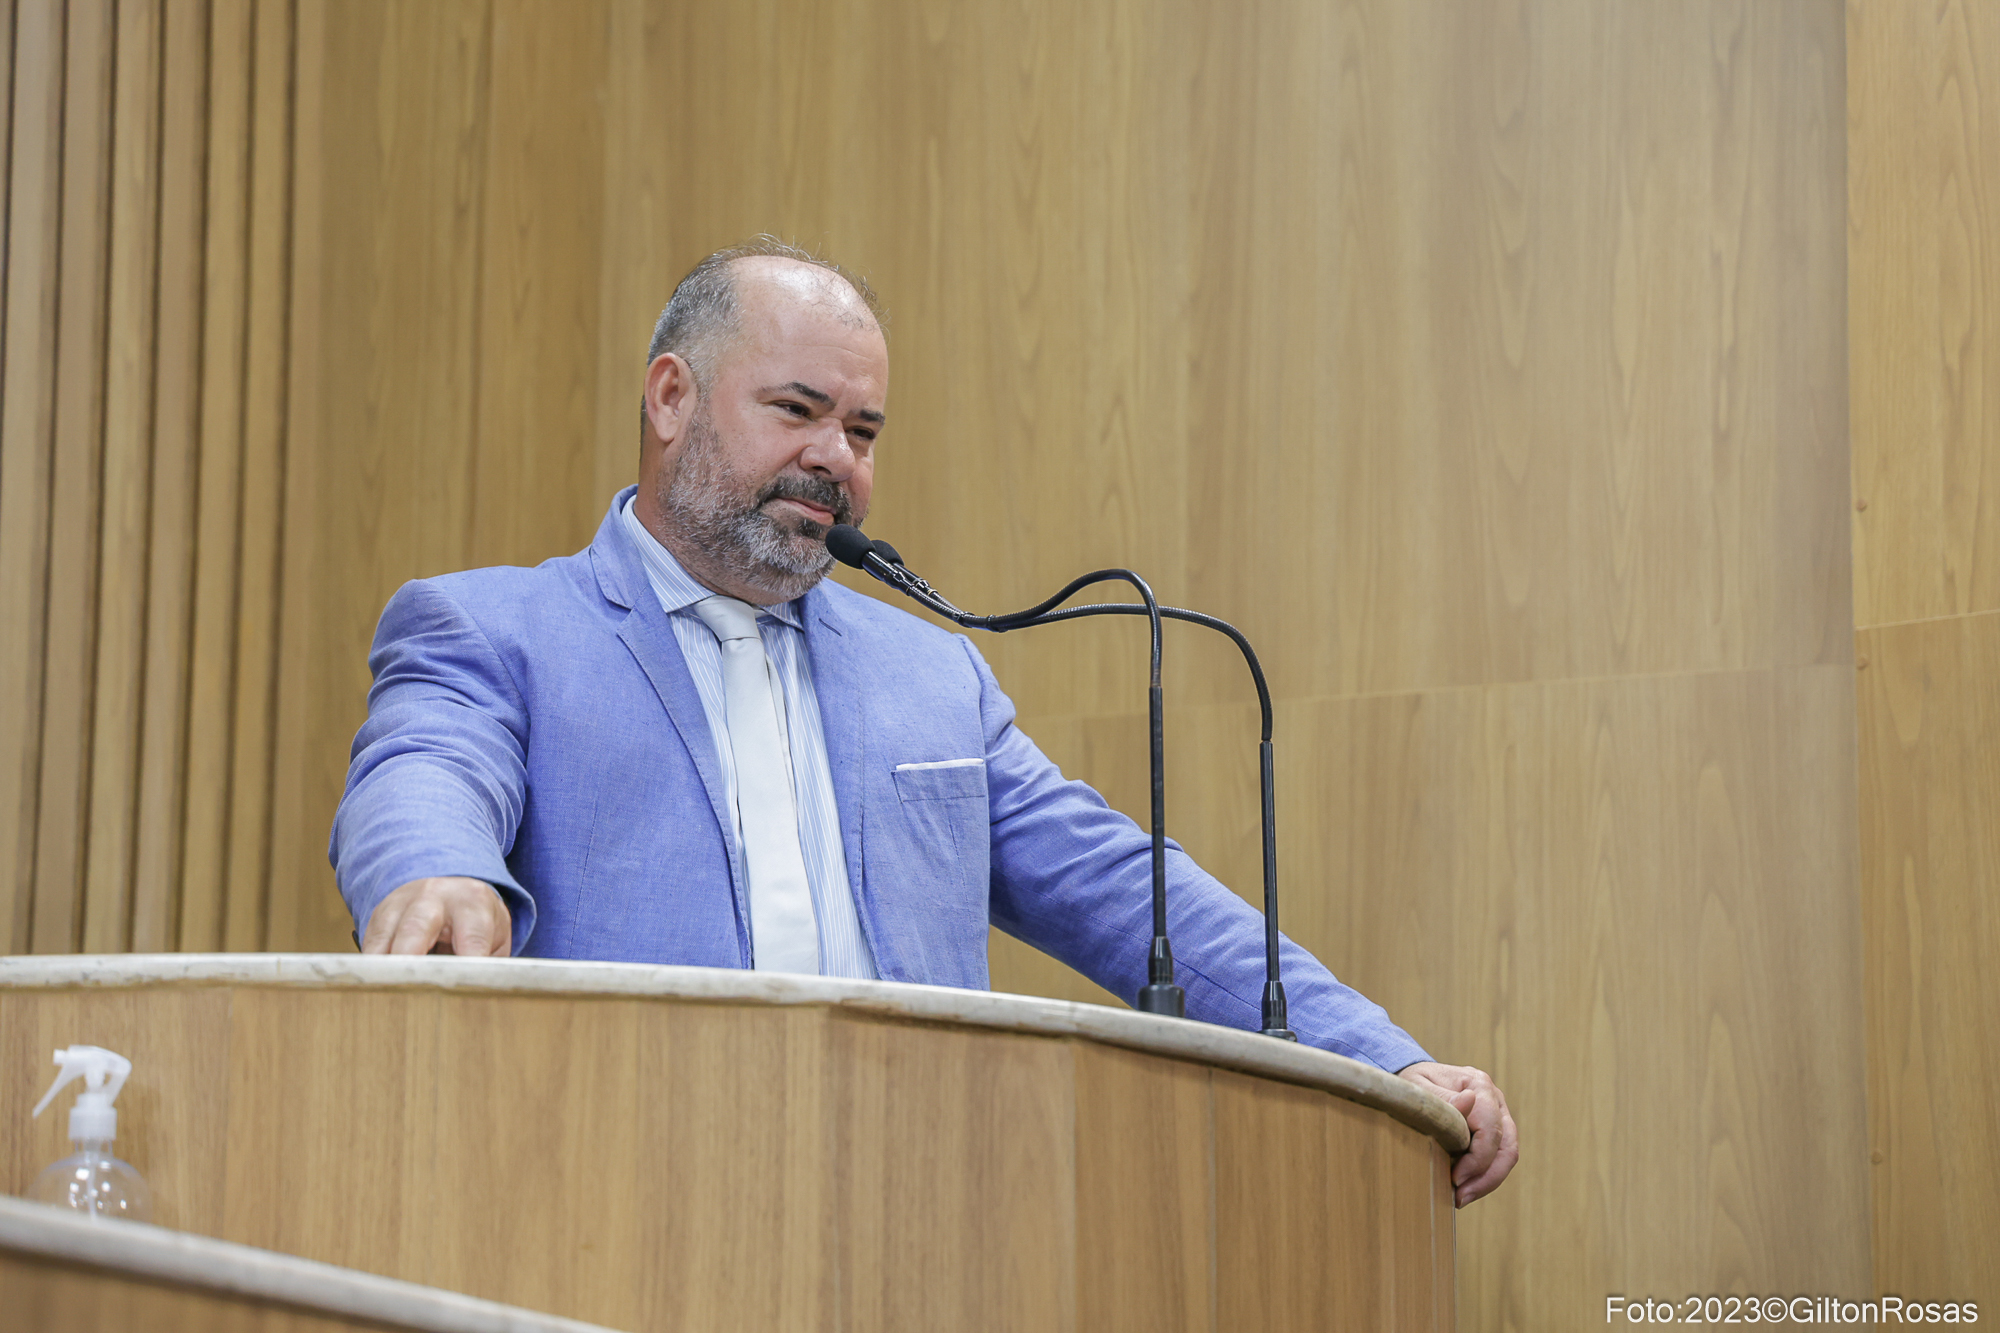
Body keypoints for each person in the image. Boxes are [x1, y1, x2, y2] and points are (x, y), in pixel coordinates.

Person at [333, 238, 1518, 1205]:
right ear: (671, 397)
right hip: (617, 1210)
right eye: (796, 409)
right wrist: (437, 872)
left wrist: (1384, 1056)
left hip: (923, 1218)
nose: (833, 459)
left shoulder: (930, 676)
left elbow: (1125, 892)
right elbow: (427, 768)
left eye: (862, 432)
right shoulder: (494, 628)